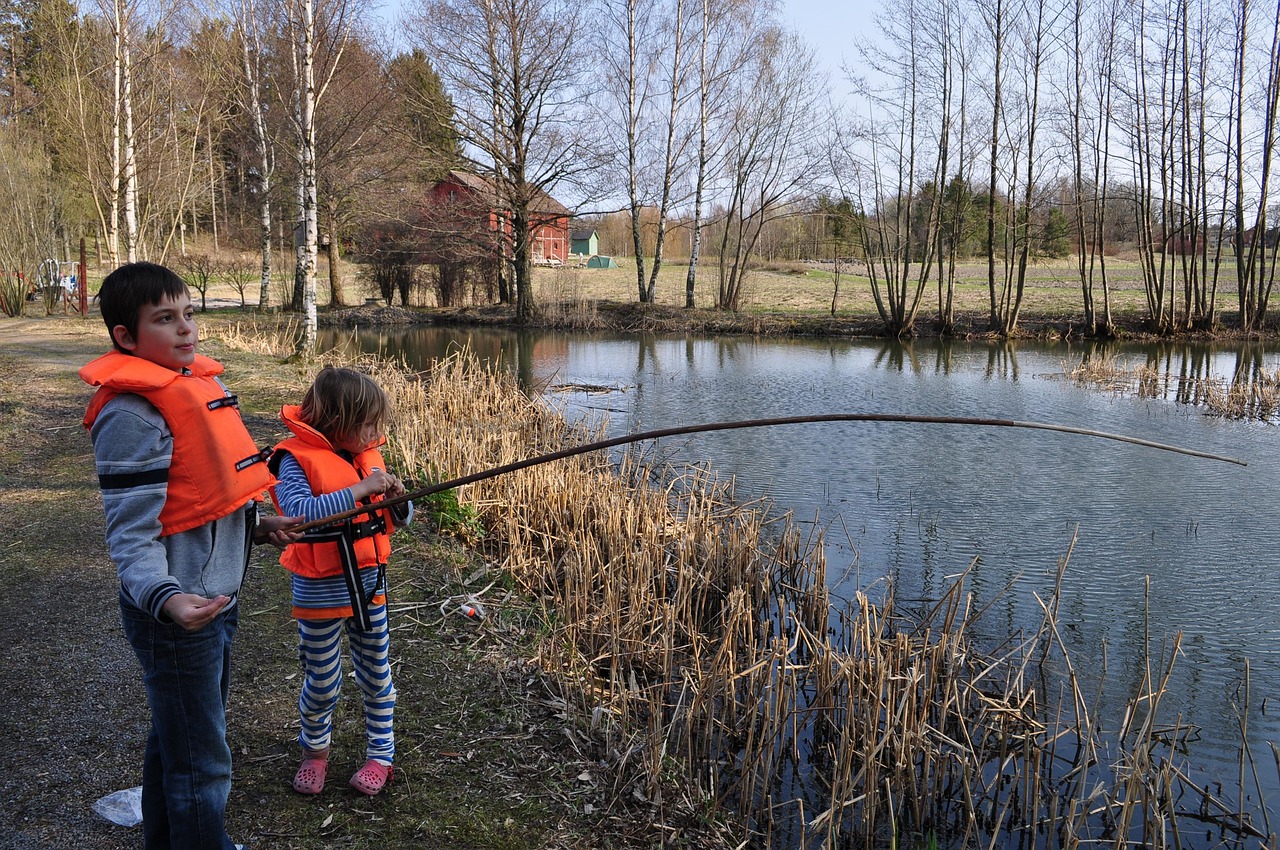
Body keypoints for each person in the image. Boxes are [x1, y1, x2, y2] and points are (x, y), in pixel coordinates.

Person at [80, 261, 303, 850]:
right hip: (178, 615)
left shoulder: (194, 386)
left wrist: (257, 523)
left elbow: (201, 495)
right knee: (202, 763)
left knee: (176, 739)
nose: (186, 330)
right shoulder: (132, 415)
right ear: (126, 338)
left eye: (188, 315)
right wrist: (168, 598)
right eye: (165, 319)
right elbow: (131, 535)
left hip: (210, 599)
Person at [267, 366, 413, 796]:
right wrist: (359, 489)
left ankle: (380, 755)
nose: (376, 432)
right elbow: (298, 513)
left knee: (376, 672)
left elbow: (397, 522)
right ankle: (315, 752)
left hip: (370, 584)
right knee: (323, 678)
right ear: (338, 422)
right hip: (319, 588)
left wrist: (398, 503)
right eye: (369, 423)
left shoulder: (366, 457)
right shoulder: (293, 459)